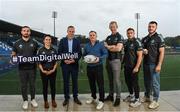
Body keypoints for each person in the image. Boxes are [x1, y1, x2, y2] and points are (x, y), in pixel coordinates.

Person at [11, 26, 38, 110]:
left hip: (32, 68)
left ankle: (33, 99)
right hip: (22, 68)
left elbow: (37, 55)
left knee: (32, 85)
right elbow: (13, 54)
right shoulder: (16, 43)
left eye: (27, 31)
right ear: (21, 32)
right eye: (24, 31)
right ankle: (25, 100)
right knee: (23, 86)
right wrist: (12, 59)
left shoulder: (34, 42)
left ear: (30, 32)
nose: (26, 32)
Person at [141, 21, 165, 109]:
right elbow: (142, 50)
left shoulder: (159, 37)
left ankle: (155, 100)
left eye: (152, 26)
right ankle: (147, 96)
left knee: (155, 83)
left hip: (154, 64)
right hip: (146, 64)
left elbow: (162, 52)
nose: (150, 28)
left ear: (156, 28)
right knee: (147, 82)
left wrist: (159, 65)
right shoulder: (145, 38)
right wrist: (143, 50)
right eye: (149, 26)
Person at [58, 26, 82, 106]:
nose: (71, 33)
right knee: (66, 82)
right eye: (70, 31)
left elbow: (79, 53)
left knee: (75, 82)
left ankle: (75, 97)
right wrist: (64, 60)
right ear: (67, 31)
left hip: (74, 65)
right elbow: (59, 52)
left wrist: (74, 60)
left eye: (73, 31)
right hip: (65, 65)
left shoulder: (77, 41)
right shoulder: (62, 41)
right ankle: (66, 98)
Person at [84, 31, 108, 110]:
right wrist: (86, 58)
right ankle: (93, 97)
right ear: (89, 36)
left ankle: (101, 100)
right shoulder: (87, 45)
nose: (92, 36)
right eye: (90, 35)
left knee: (100, 84)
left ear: (96, 36)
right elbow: (84, 54)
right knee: (92, 83)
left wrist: (99, 58)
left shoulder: (100, 44)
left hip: (98, 67)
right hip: (89, 67)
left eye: (93, 35)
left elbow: (105, 54)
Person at [104, 21, 124, 106]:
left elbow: (118, 49)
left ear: (117, 26)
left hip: (116, 60)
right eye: (111, 26)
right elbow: (104, 46)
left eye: (114, 26)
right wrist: (112, 47)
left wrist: (109, 47)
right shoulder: (108, 37)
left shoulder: (120, 36)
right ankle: (111, 95)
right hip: (108, 60)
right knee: (110, 80)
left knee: (116, 80)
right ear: (109, 27)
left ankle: (118, 97)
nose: (112, 28)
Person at [122, 28, 143, 107]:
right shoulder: (126, 42)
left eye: (131, 33)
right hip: (127, 66)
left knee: (135, 83)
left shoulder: (137, 42)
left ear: (134, 34)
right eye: (128, 33)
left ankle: (137, 99)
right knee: (128, 82)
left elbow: (140, 56)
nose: (129, 34)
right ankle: (131, 95)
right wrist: (122, 63)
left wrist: (137, 67)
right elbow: (126, 54)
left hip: (134, 66)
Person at [37, 35, 57, 109]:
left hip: (53, 71)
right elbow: (38, 62)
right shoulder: (40, 50)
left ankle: (53, 100)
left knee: (53, 87)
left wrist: (53, 69)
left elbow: (56, 62)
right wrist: (42, 70)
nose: (48, 41)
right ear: (44, 41)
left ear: (51, 41)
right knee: (45, 87)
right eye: (46, 39)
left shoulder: (54, 50)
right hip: (43, 71)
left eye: (49, 39)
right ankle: (45, 101)